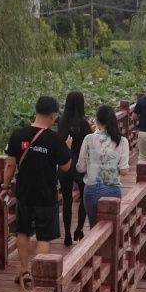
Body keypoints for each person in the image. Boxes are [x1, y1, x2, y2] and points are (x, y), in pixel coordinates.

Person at [2, 95, 72, 292]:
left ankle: (24, 270)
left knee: (22, 230)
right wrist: (66, 148)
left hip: (24, 192)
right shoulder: (55, 140)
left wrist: (5, 187)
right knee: (44, 236)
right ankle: (39, 275)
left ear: (36, 111)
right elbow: (66, 167)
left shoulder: (18, 135)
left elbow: (10, 164)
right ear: (53, 115)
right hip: (46, 194)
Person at [77, 104, 130, 227]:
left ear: (97, 120)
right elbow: (124, 171)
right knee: (112, 228)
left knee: (94, 228)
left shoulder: (89, 139)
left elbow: (80, 167)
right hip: (112, 189)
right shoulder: (122, 141)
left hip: (91, 189)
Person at [57, 91, 90, 246]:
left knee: (67, 200)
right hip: (80, 165)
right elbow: (90, 142)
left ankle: (67, 235)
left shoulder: (62, 122)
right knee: (83, 197)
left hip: (64, 163)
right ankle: (79, 229)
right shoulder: (84, 123)